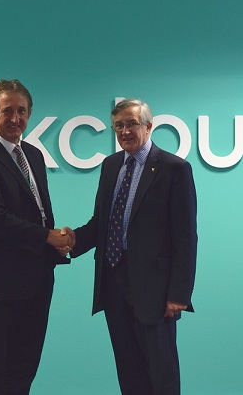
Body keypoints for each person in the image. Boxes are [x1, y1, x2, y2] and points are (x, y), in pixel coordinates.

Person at [63, 98, 197, 395]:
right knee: (128, 370)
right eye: (118, 126)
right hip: (113, 283)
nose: (125, 131)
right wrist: (74, 240)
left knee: (161, 372)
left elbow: (186, 237)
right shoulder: (111, 166)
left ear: (148, 127)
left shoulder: (174, 168)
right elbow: (101, 222)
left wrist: (179, 294)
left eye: (132, 124)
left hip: (155, 290)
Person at [0, 79, 71, 395]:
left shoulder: (33, 154)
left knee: (22, 371)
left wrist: (55, 241)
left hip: (36, 281)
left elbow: (38, 212)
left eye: (22, 111)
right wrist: (47, 237)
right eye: (7, 111)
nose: (15, 118)